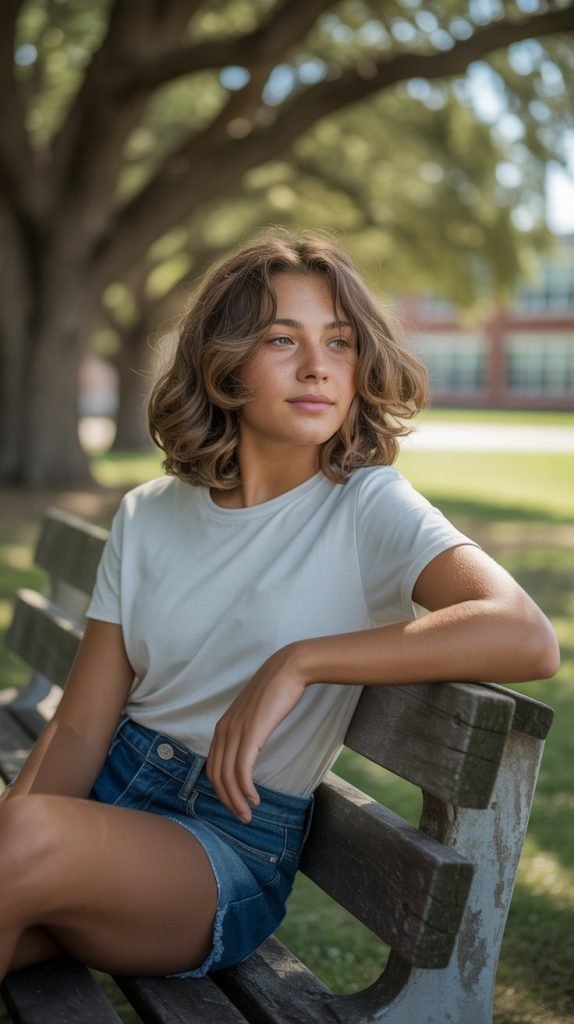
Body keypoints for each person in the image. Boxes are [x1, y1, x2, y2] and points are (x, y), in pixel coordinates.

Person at [0, 232, 559, 982]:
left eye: (339, 341)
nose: (317, 366)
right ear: (224, 361)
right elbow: (77, 728)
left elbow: (525, 634)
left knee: (27, 838)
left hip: (221, 850)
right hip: (105, 806)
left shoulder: (367, 507)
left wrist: (298, 662)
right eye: (280, 339)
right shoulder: (149, 514)